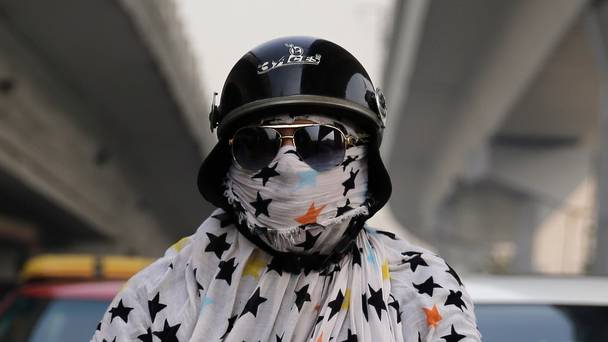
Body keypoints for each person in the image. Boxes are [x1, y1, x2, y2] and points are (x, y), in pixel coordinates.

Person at [91, 36, 481, 342]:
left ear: (363, 154)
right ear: (227, 162)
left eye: (321, 141)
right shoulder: (158, 296)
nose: (289, 166)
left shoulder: (421, 287)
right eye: (257, 145)